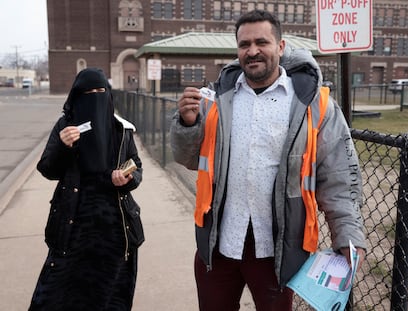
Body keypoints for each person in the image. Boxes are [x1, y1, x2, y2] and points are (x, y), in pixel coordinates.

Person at [170, 10, 366, 311]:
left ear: (281, 46)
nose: (252, 51)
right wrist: (186, 124)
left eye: (262, 42)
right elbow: (188, 159)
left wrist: (348, 236)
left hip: (277, 251)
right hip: (217, 247)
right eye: (244, 44)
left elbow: (339, 177)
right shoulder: (217, 99)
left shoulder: (315, 102)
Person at [29, 68, 144, 311]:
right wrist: (63, 146)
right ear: (76, 96)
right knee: (59, 293)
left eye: (100, 91)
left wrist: (126, 178)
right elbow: (48, 169)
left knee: (110, 295)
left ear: (108, 94)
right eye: (87, 92)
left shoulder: (121, 129)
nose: (94, 97)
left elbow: (137, 168)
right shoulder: (65, 125)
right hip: (74, 224)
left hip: (115, 227)